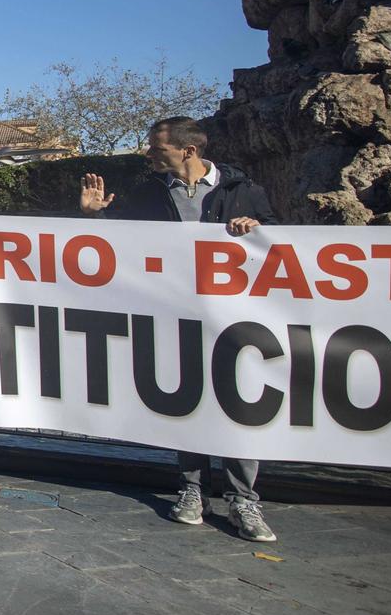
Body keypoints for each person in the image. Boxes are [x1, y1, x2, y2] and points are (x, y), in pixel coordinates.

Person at [81, 116, 281, 542]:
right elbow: (123, 247)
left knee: (238, 404)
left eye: (157, 147)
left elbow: (279, 246)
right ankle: (192, 489)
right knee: (187, 400)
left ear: (188, 151)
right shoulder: (149, 193)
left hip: (234, 319)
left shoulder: (242, 191)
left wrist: (258, 230)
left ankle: (243, 498)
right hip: (176, 316)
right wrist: (95, 218)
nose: (149, 154)